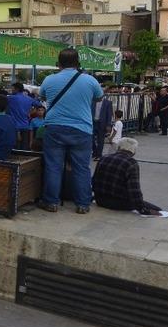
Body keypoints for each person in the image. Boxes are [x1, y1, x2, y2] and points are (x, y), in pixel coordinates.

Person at [39, 48, 103, 214]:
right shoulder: (90, 80)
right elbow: (99, 96)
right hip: (82, 129)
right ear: (78, 64)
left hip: (54, 127)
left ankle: (51, 202)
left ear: (58, 64)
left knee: (53, 166)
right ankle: (83, 204)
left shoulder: (49, 80)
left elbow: (43, 96)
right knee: (81, 168)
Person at [92, 138, 163, 215]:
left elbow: (94, 180)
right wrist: (144, 210)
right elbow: (134, 191)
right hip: (118, 202)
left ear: (118, 148)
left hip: (100, 200)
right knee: (158, 209)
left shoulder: (104, 157)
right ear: (133, 152)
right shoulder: (131, 163)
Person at [7, 82, 39, 149]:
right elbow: (39, 105)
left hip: (14, 127)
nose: (11, 90)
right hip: (25, 126)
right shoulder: (29, 99)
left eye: (12, 89)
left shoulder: (10, 98)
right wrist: (31, 112)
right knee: (24, 149)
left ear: (17, 89)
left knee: (13, 149)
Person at [92, 90, 114, 160]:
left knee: (100, 140)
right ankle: (95, 152)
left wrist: (108, 125)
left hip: (102, 123)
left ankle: (99, 155)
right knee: (90, 138)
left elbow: (109, 114)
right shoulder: (93, 101)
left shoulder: (108, 103)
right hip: (93, 122)